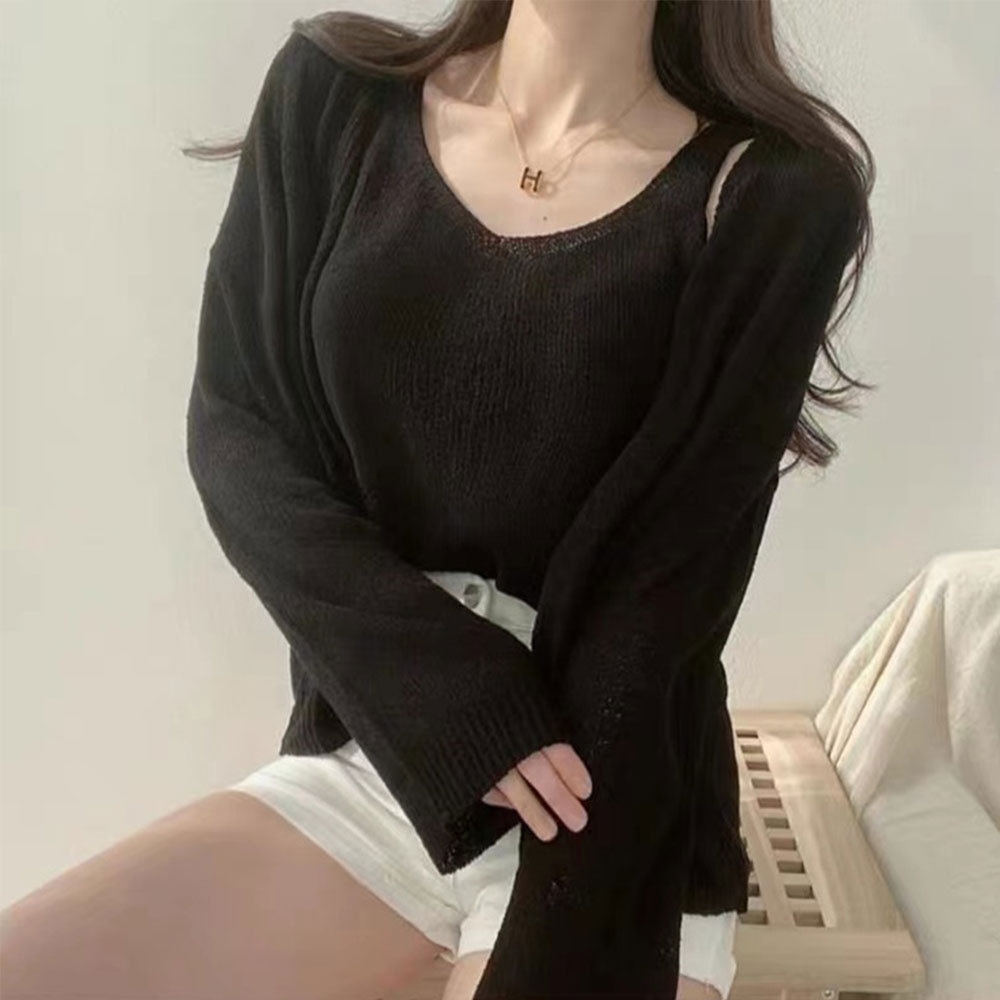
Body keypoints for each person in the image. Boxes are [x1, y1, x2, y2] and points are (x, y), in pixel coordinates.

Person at [0, 2, 872, 999]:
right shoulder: (334, 95)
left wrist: (564, 922)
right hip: (382, 756)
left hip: (609, 792)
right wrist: (445, 705)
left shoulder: (770, 196)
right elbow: (238, 435)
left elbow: (663, 604)